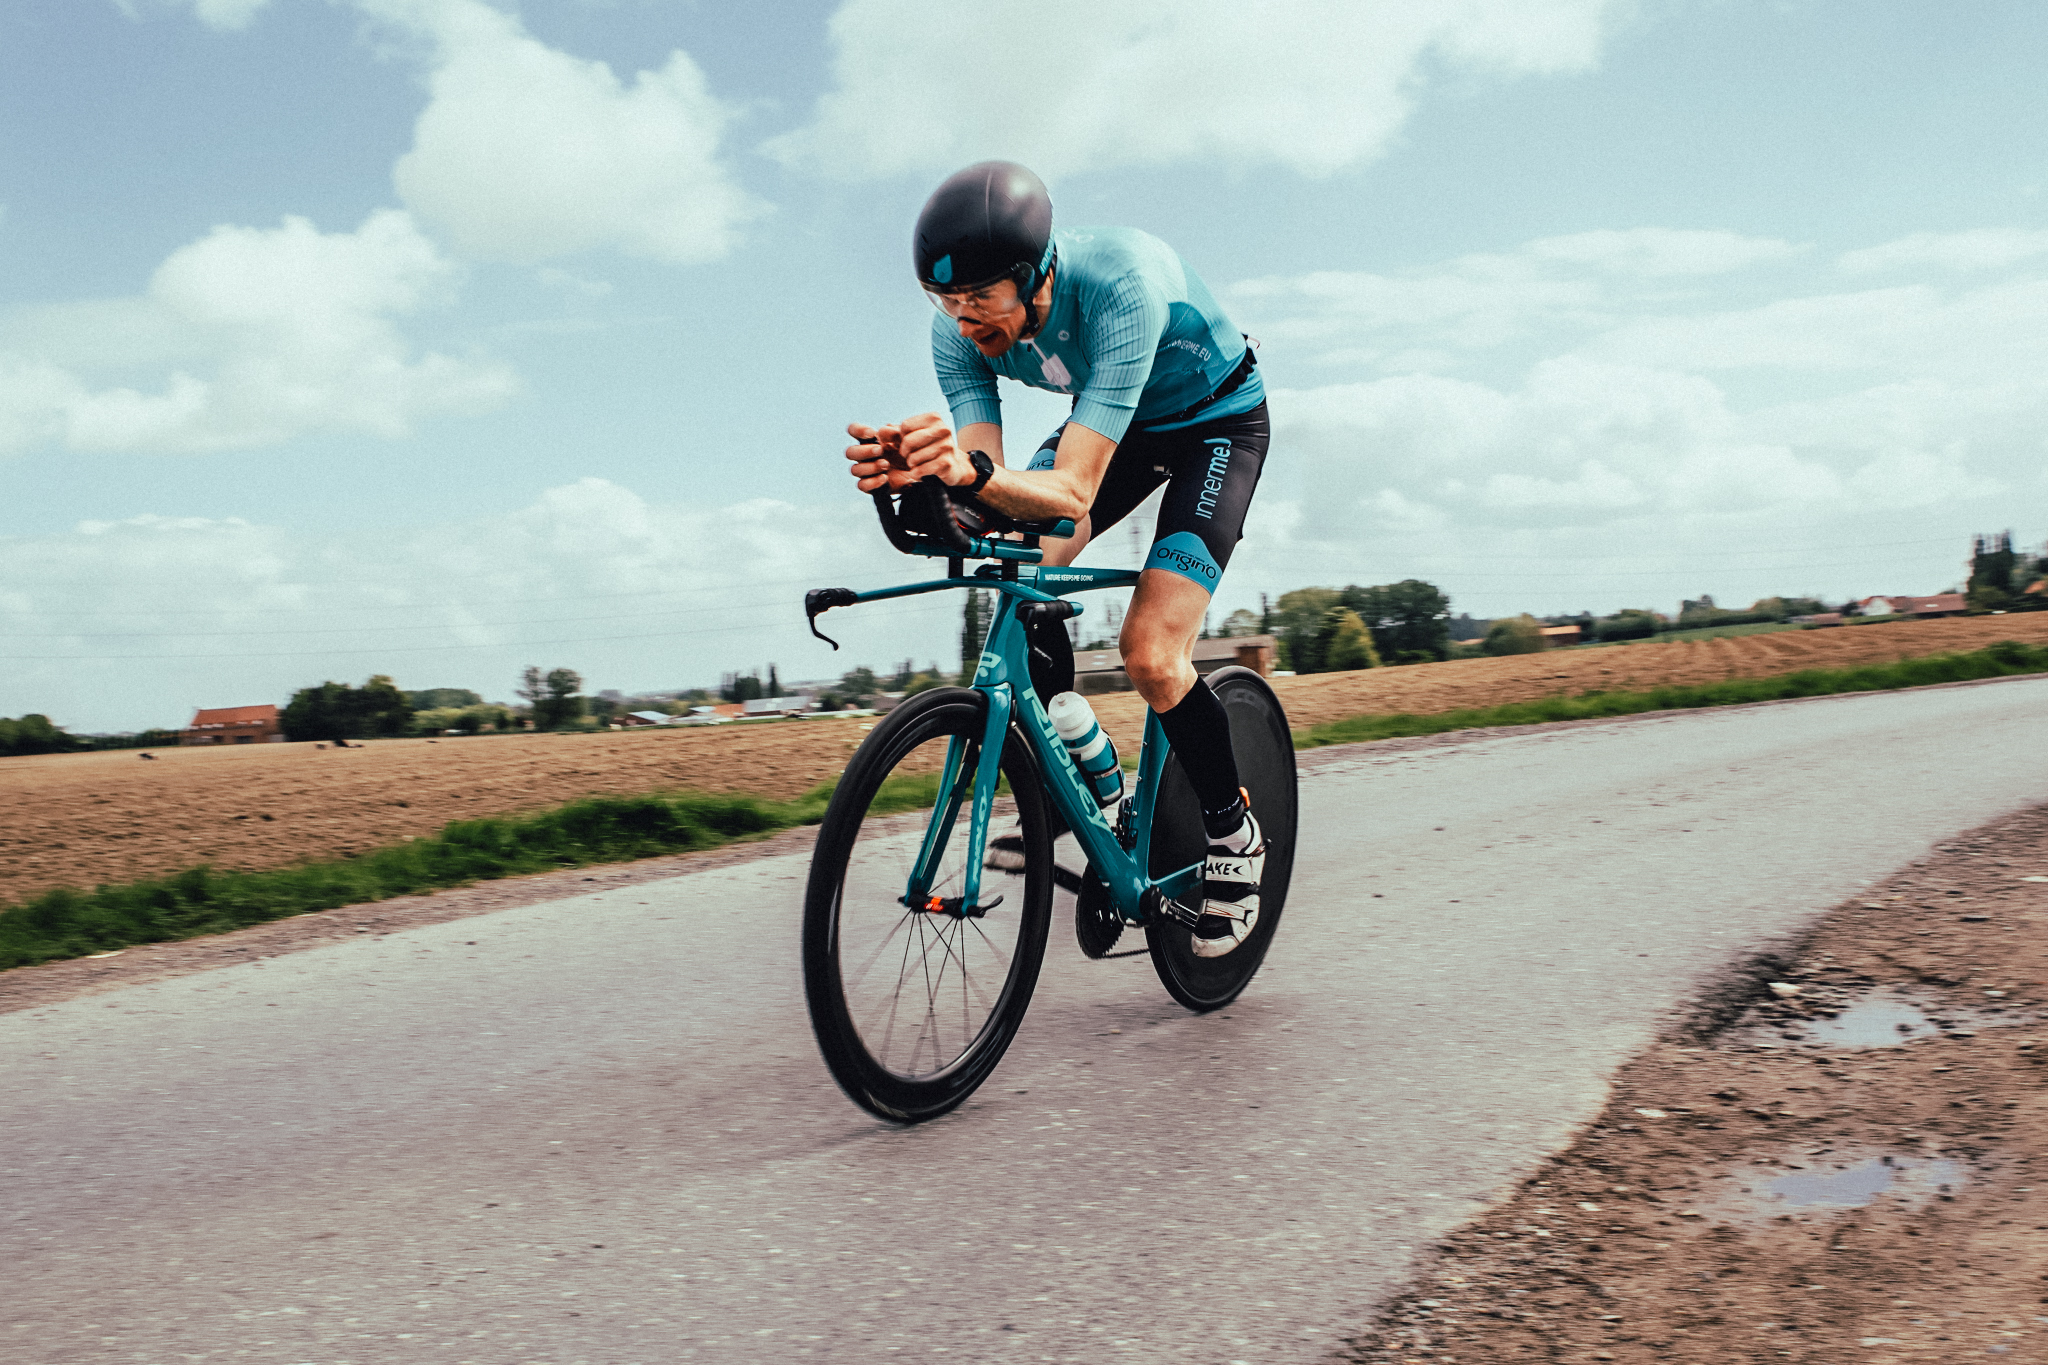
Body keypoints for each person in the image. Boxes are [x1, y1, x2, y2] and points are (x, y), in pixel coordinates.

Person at [844, 160, 1269, 958]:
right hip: (1121, 426)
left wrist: (967, 474)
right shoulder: (957, 334)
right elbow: (988, 488)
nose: (963, 319)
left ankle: (1233, 833)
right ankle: (1088, 766)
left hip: (1218, 426)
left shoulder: (1120, 290)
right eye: (946, 300)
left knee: (1151, 652)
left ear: (1035, 274)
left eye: (980, 297)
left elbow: (1071, 489)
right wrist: (926, 480)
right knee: (1018, 559)